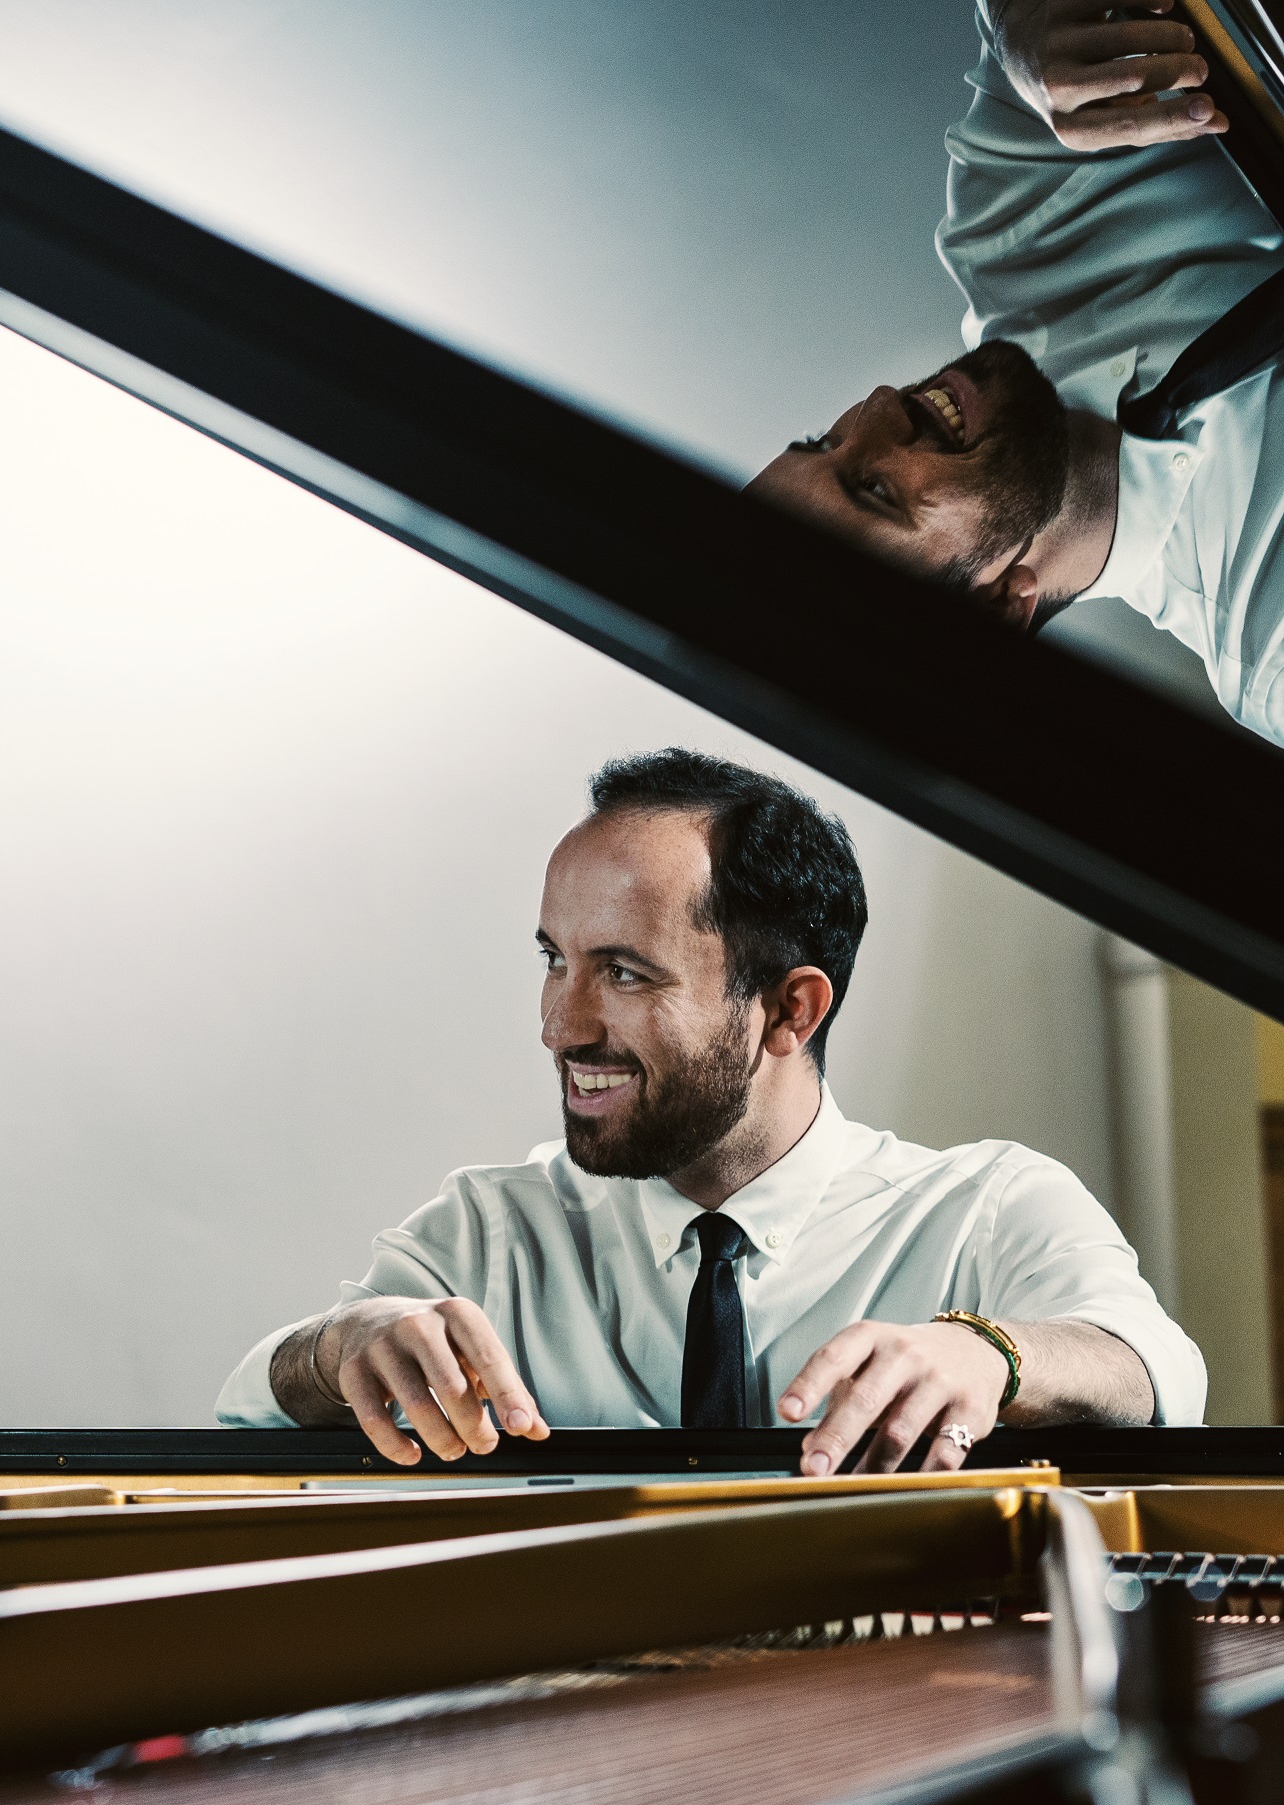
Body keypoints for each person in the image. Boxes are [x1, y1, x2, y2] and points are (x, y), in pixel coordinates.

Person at [216, 750, 1206, 1472]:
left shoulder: (985, 1207)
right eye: (554, 958)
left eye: (626, 972)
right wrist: (342, 1345)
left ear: (789, 1008)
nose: (560, 1024)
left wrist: (987, 1351)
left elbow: (1150, 1368)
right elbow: (248, 1417)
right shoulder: (490, 1236)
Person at [750, 0, 1284, 743]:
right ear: (998, 604)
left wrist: (1016, 21)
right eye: (874, 490)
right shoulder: (1272, 648)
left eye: (821, 441)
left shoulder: (1004, 225)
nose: (876, 406)